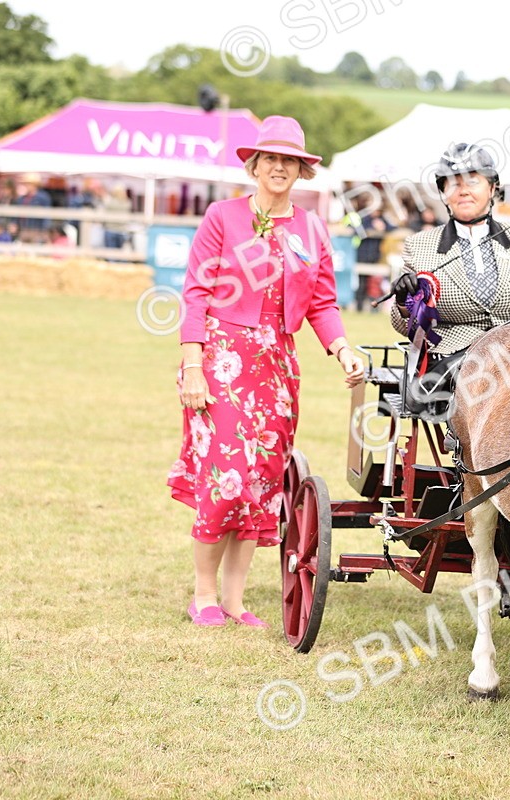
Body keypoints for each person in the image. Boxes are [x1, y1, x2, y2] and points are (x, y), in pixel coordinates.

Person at [168, 115, 366, 628]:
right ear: (255, 165)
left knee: (259, 484)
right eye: (270, 159)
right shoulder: (222, 216)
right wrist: (192, 366)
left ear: (301, 170)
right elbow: (195, 293)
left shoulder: (311, 228)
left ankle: (234, 602)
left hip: (278, 367)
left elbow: (323, 303)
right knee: (225, 478)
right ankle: (204, 597)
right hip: (221, 361)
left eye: (289, 161)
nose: (279, 168)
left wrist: (342, 349)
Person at [387, 142, 510, 417]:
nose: (463, 190)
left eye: (472, 181)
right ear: (443, 193)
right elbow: (404, 326)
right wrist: (403, 302)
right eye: (453, 184)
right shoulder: (419, 246)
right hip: (454, 365)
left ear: (492, 188)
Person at [10, 173, 53, 244]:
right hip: (24, 229)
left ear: (34, 185)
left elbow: (47, 215)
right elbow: (17, 214)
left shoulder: (43, 198)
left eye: (28, 184)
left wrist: (45, 230)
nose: (26, 186)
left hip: (37, 230)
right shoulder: (21, 199)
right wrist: (14, 223)